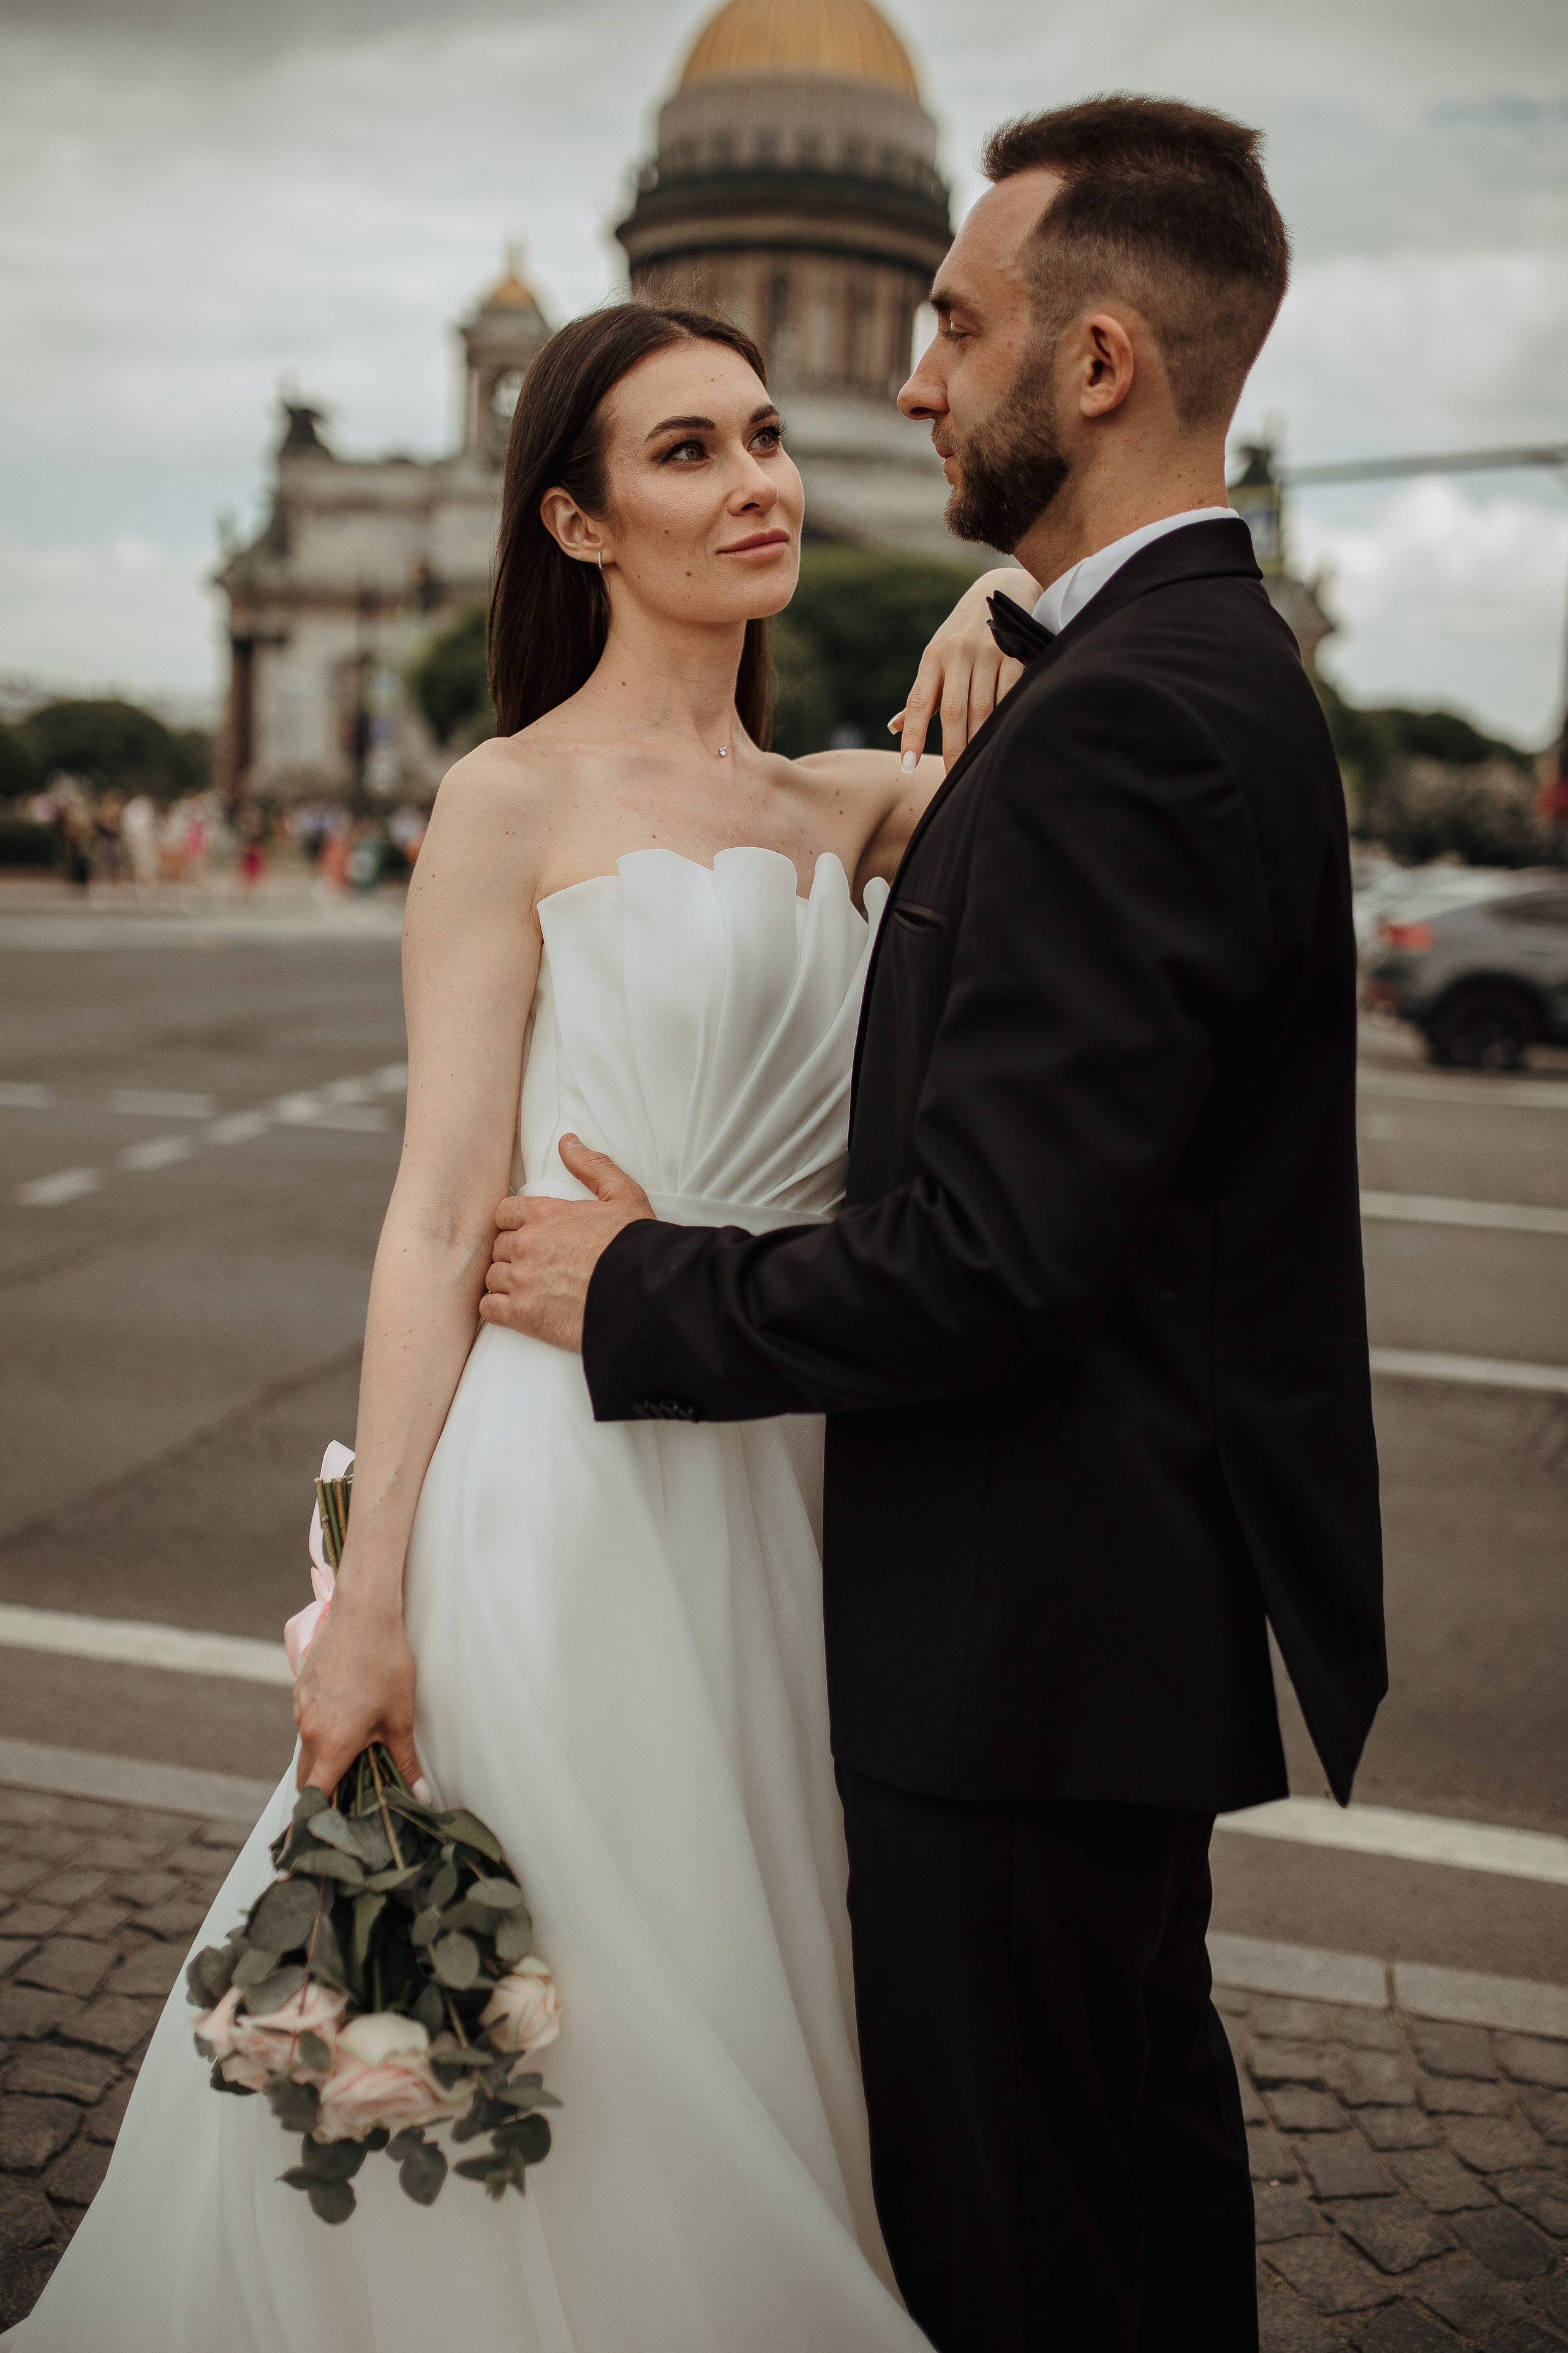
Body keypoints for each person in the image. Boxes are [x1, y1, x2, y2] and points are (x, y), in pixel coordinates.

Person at [6, 300, 1009, 2352]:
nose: (758, 481)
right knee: (573, 2010)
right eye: (684, 454)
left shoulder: (852, 806)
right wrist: (369, 1599)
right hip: (559, 1501)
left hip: (795, 1486)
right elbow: (440, 1212)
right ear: (572, 519)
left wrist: (1010, 591)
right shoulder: (504, 799)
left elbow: (1098, 720)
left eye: (762, 436)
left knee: (754, 1971)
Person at [477, 99, 1387, 2351]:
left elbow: (996, 1257)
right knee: (1110, 2187)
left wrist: (640, 1284)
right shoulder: (1162, 679)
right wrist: (1005, 620)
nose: (902, 385)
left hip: (1021, 1648)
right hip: (1052, 1629)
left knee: (1032, 2245)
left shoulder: (1125, 726)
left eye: (951, 326)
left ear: (1090, 368)